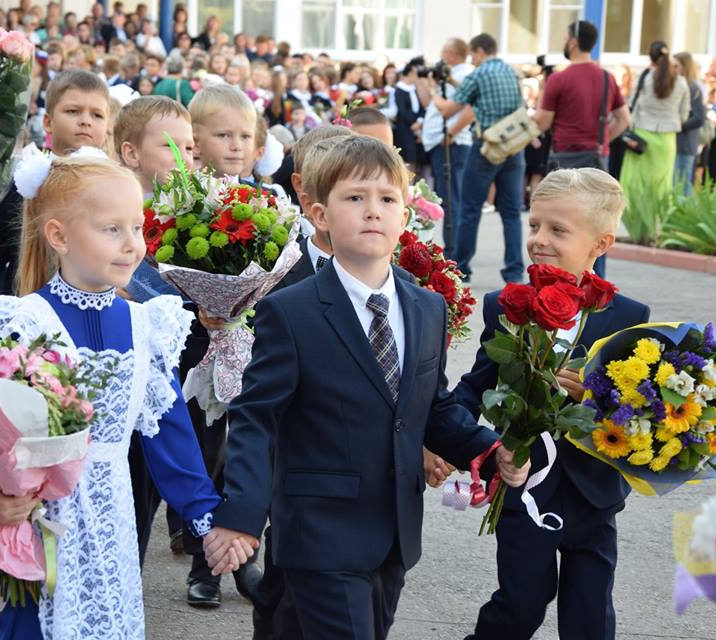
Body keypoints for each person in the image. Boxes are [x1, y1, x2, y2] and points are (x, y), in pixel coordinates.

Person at [203, 135, 530, 640]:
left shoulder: (426, 307)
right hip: (319, 532)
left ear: (405, 217)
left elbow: (431, 406)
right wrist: (242, 514)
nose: (372, 211)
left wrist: (487, 447)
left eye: (386, 199)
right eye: (354, 198)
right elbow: (256, 418)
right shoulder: (290, 310)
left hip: (393, 531)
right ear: (320, 215)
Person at [0, 155, 225, 639]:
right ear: (59, 236)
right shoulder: (17, 323)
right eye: (112, 229)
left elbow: (169, 434)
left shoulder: (145, 325)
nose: (132, 245)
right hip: (36, 527)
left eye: (137, 227)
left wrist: (206, 521)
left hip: (112, 525)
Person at [454, 168, 650, 640]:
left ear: (599, 245)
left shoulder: (627, 318)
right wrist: (444, 439)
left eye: (558, 230)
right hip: (525, 488)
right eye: (535, 224)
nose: (539, 239)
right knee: (520, 606)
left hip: (595, 496)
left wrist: (594, 394)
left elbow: (639, 406)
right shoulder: (505, 306)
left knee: (589, 618)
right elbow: (478, 383)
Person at [178, 83, 264, 609]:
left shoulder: (264, 200)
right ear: (194, 139)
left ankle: (246, 554)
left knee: (248, 453)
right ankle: (201, 559)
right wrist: (200, 308)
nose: (235, 144)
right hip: (197, 346)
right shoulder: (184, 201)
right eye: (222, 134)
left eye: (245, 136)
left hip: (252, 346)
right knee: (203, 453)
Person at [114, 95, 198, 564]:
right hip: (123, 366)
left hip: (173, 371)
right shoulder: (112, 211)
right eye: (171, 147)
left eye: (190, 148)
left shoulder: (195, 216)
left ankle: (134, 573)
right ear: (131, 154)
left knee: (150, 481)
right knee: (125, 479)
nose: (185, 159)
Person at [0, 70, 113, 299]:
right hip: (27, 307)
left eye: (97, 115)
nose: (85, 121)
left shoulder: (117, 187)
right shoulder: (22, 183)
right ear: (48, 122)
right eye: (73, 111)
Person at [530, 19, 631, 278]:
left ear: (573, 42)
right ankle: (597, 286)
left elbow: (542, 122)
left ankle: (552, 284)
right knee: (597, 227)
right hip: (597, 160)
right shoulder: (607, 78)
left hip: (564, 159)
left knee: (558, 229)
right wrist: (603, 139)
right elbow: (624, 120)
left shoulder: (559, 78)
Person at [434, 33, 526, 284]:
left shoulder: (479, 74)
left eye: (473, 54)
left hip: (486, 148)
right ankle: (515, 270)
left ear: (480, 51)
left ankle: (461, 267)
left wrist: (432, 90)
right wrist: (452, 81)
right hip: (514, 148)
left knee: (470, 209)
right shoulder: (511, 72)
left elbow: (448, 110)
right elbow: (472, 93)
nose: (472, 59)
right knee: (511, 213)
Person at [419, 38, 473, 261]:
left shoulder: (463, 74)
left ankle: (454, 252)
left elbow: (446, 109)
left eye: (443, 52)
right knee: (450, 196)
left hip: (452, 142)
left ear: (451, 53)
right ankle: (454, 249)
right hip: (443, 141)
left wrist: (433, 89)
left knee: (452, 198)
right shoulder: (455, 76)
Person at [619, 40, 690, 202]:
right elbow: (684, 115)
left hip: (641, 137)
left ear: (650, 57)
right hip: (667, 139)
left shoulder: (644, 78)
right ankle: (656, 223)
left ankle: (634, 223)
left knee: (635, 184)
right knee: (661, 185)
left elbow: (632, 106)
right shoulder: (681, 82)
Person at [673, 52, 706, 196]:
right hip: (677, 142)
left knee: (683, 183)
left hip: (685, 143)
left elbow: (699, 118)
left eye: (676, 65)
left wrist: (677, 125)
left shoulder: (693, 88)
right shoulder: (679, 85)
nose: (673, 69)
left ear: (685, 67)